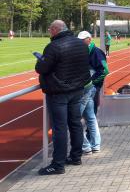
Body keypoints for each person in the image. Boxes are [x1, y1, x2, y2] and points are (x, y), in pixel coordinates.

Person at [35, 20, 90, 175]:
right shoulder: (80, 44)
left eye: (49, 29)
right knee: (75, 123)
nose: (49, 31)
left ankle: (58, 164)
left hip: (59, 92)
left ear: (55, 29)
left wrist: (40, 60)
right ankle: (76, 157)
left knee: (60, 128)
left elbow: (41, 68)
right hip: (77, 89)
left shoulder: (53, 46)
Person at [77, 31, 109, 154]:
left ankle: (87, 144)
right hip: (88, 87)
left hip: (92, 88)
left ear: (89, 39)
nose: (81, 42)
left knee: (78, 117)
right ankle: (94, 144)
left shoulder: (96, 52)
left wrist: (92, 83)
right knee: (91, 117)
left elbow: (105, 70)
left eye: (83, 40)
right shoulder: (84, 51)